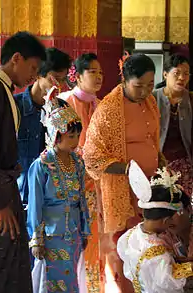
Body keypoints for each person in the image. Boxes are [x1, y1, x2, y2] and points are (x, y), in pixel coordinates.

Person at [0, 31, 46, 293]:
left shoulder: (1, 89)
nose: (34, 75)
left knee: (9, 260)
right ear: (16, 58)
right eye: (33, 67)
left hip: (3, 190)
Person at [83, 53, 161, 292]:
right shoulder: (108, 109)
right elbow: (92, 156)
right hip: (124, 191)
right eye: (139, 86)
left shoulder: (149, 102)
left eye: (150, 85)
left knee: (149, 245)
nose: (146, 91)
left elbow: (152, 141)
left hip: (149, 188)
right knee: (126, 247)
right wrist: (127, 169)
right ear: (125, 80)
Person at [27, 86, 91, 292]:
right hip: (51, 236)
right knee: (50, 282)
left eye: (78, 135)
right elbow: (36, 204)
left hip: (73, 233)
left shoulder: (78, 162)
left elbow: (81, 198)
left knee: (71, 281)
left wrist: (85, 229)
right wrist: (36, 239)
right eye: (71, 136)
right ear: (56, 135)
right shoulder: (41, 165)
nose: (76, 141)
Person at [59, 53, 103, 292]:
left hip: (95, 184)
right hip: (70, 183)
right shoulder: (64, 102)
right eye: (92, 72)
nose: (98, 77)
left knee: (93, 240)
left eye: (101, 72)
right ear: (77, 75)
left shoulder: (101, 105)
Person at [117, 160, 193, 293]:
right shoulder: (157, 252)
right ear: (166, 221)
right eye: (171, 219)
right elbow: (169, 280)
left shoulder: (130, 235)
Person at [14, 47, 72, 206]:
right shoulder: (14, 106)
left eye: (62, 80)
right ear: (39, 74)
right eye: (54, 79)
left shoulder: (62, 108)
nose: (58, 85)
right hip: (22, 194)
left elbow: (69, 146)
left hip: (52, 194)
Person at [153, 54, 192, 196]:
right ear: (165, 74)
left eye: (186, 74)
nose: (182, 78)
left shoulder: (190, 100)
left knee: (183, 207)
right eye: (177, 73)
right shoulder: (152, 98)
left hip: (185, 165)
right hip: (158, 165)